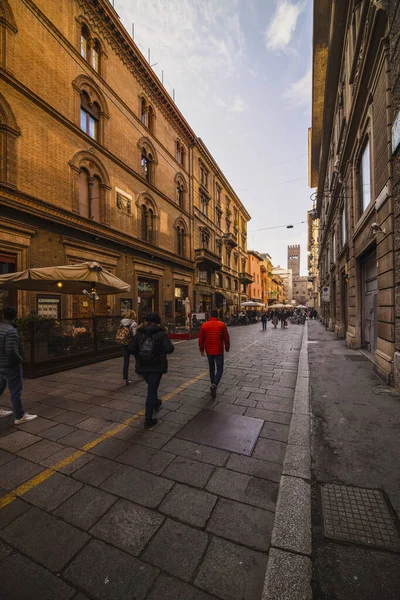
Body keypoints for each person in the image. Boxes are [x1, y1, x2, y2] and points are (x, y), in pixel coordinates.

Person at [130, 312, 174, 429]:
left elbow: (131, 348)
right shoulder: (161, 333)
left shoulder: (139, 333)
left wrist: (140, 355)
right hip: (156, 366)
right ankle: (148, 419)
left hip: (142, 366)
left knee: (151, 388)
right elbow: (169, 349)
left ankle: (155, 402)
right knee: (151, 390)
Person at [0, 306, 37, 424]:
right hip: (10, 366)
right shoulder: (11, 331)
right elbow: (10, 351)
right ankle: (19, 416)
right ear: (15, 316)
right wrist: (19, 359)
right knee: (15, 390)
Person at [199, 309, 230, 398]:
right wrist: (227, 348)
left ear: (210, 316)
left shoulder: (204, 325)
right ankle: (215, 384)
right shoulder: (222, 325)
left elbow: (201, 340)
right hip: (219, 351)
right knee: (220, 369)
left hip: (209, 351)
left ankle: (213, 383)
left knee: (211, 368)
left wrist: (202, 350)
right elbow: (226, 338)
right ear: (217, 316)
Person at [118, 309, 137, 386]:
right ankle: (140, 375)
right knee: (138, 359)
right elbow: (135, 335)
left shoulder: (122, 322)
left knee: (126, 362)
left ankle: (125, 380)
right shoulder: (133, 323)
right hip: (131, 344)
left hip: (123, 344)